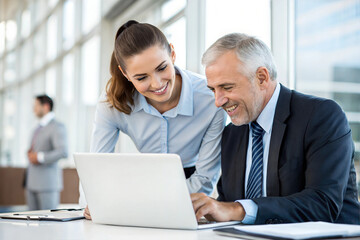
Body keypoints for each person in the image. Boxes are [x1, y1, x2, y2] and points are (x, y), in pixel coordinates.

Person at [191, 33, 360, 224]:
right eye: (213, 89)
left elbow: (322, 204)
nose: (218, 101)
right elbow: (228, 205)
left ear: (262, 78)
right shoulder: (232, 133)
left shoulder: (321, 116)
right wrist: (208, 212)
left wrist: (237, 210)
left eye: (227, 87)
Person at [81, 20, 226, 219]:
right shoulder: (112, 102)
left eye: (162, 68)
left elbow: (204, 179)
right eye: (141, 78)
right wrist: (93, 203)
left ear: (172, 54)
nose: (157, 84)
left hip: (191, 183)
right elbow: (94, 168)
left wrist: (144, 205)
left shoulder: (210, 99)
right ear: (125, 74)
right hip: (142, 182)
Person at [25, 95, 68, 210]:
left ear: (46, 106)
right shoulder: (37, 128)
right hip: (32, 183)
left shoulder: (57, 127)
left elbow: (63, 152)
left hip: (47, 185)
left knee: (48, 224)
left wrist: (39, 157)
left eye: (36, 106)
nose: (34, 109)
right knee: (31, 223)